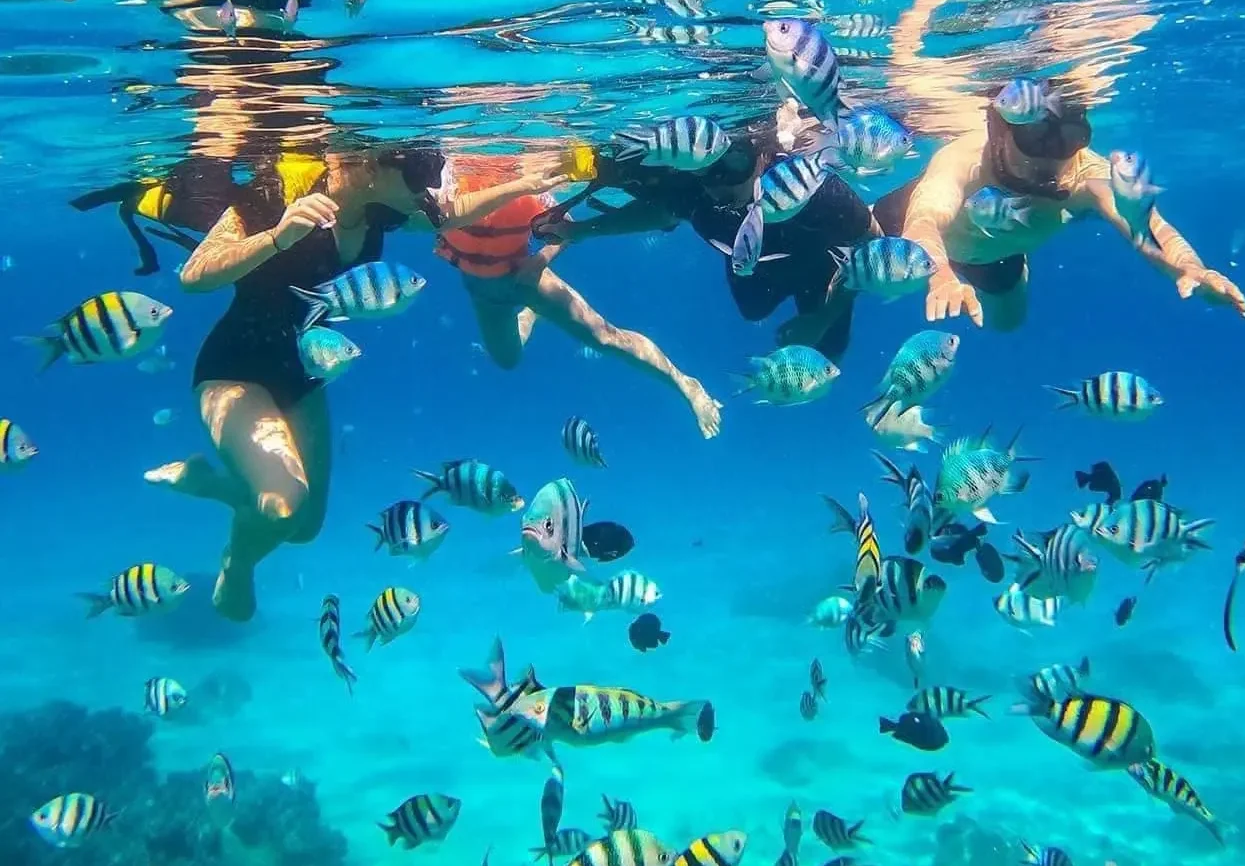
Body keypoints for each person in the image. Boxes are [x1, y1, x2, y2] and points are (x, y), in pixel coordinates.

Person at [148, 145, 567, 621]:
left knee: (304, 527)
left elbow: (451, 213)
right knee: (283, 507)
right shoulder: (275, 196)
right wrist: (278, 237)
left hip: (302, 374)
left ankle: (211, 483)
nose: (431, 186)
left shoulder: (381, 211)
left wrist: (522, 186)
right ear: (370, 165)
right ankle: (236, 562)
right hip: (234, 370)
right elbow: (194, 276)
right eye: (419, 171)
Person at [873, 84, 1245, 332]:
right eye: (1034, 142)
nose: (1052, 161)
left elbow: (1147, 227)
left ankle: (1012, 264)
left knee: (1007, 324)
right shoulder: (964, 160)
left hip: (996, 256)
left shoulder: (1088, 173)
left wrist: (1189, 268)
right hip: (909, 239)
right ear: (999, 132)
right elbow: (924, 220)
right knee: (848, 270)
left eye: (1069, 142)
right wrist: (938, 273)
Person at [434, 152, 724, 439]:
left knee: (605, 338)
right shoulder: (448, 183)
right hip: (483, 294)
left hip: (528, 281)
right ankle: (529, 315)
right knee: (507, 359)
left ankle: (686, 384)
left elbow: (566, 224)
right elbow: (425, 215)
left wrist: (540, 261)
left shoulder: (528, 182)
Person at [533, 120, 878, 359]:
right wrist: (579, 230)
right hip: (753, 270)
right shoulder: (694, 190)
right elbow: (659, 214)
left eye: (736, 162)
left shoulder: (812, 189)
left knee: (829, 355)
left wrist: (823, 316)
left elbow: (873, 242)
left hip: (822, 272)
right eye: (710, 168)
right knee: (753, 310)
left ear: (762, 155)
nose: (721, 182)